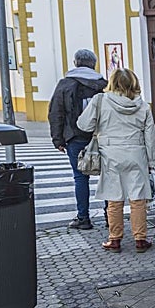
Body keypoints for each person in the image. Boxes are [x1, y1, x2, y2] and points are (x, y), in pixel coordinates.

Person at [76, 68, 155, 253]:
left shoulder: (100, 101)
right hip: (136, 154)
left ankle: (115, 239)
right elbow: (150, 137)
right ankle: (140, 239)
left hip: (110, 154)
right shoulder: (142, 106)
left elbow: (83, 124)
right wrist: (151, 162)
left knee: (114, 198)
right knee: (138, 199)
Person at [48, 48, 107, 229]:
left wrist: (57, 139)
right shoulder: (103, 84)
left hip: (75, 137)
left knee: (80, 178)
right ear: (94, 64)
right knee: (106, 177)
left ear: (75, 63)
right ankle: (110, 216)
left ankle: (83, 218)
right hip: (102, 137)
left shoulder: (65, 85)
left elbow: (55, 112)